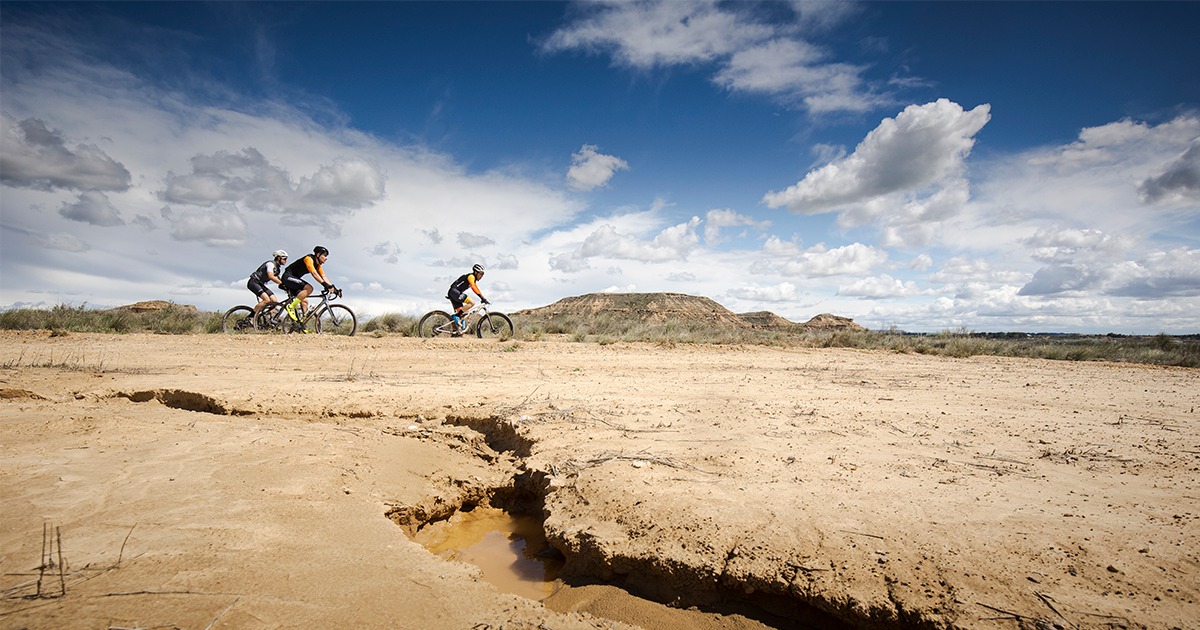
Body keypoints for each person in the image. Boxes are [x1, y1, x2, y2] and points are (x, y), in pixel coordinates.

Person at [281, 246, 336, 321]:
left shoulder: (318, 265)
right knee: (309, 288)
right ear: (318, 254)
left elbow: (323, 276)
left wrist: (333, 288)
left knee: (304, 301)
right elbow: (314, 273)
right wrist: (325, 285)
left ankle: (302, 325)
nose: (326, 258)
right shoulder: (308, 259)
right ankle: (291, 307)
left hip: (295, 280)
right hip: (288, 277)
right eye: (324, 255)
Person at [446, 263, 488, 335]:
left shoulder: (473, 279)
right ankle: (456, 316)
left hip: (454, 293)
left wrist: (483, 297)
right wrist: (481, 297)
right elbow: (473, 287)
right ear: (476, 272)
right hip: (454, 292)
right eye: (480, 274)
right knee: (472, 303)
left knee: (462, 314)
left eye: (483, 274)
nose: (482, 276)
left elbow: (476, 288)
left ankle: (457, 332)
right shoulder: (471, 276)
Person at [247, 249, 288, 319]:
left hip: (260, 284)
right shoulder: (270, 264)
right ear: (278, 258)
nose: (285, 261)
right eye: (284, 259)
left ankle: (267, 318)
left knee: (275, 301)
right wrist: (282, 284)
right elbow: (270, 276)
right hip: (254, 282)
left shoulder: (278, 269)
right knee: (267, 300)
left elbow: (282, 279)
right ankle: (250, 318)